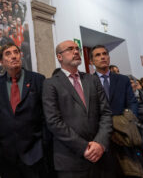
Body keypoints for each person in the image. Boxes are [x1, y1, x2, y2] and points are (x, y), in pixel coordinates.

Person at [42, 40, 112, 178]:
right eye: (70, 49)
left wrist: (100, 143)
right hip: (70, 160)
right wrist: (84, 147)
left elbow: (106, 113)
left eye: (77, 49)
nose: (75, 52)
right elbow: (53, 121)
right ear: (59, 57)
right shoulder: (50, 84)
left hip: (100, 156)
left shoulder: (92, 80)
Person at [0, 43, 49, 178]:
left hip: (35, 154)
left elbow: (47, 114)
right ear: (1, 61)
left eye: (16, 52)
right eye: (8, 54)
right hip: (6, 156)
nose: (14, 56)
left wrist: (43, 144)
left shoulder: (37, 79)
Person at [90, 45, 138, 116]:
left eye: (105, 54)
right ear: (91, 62)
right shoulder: (89, 81)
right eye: (98, 55)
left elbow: (132, 102)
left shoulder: (123, 79)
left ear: (108, 58)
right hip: (100, 125)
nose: (103, 57)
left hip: (124, 124)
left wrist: (131, 119)